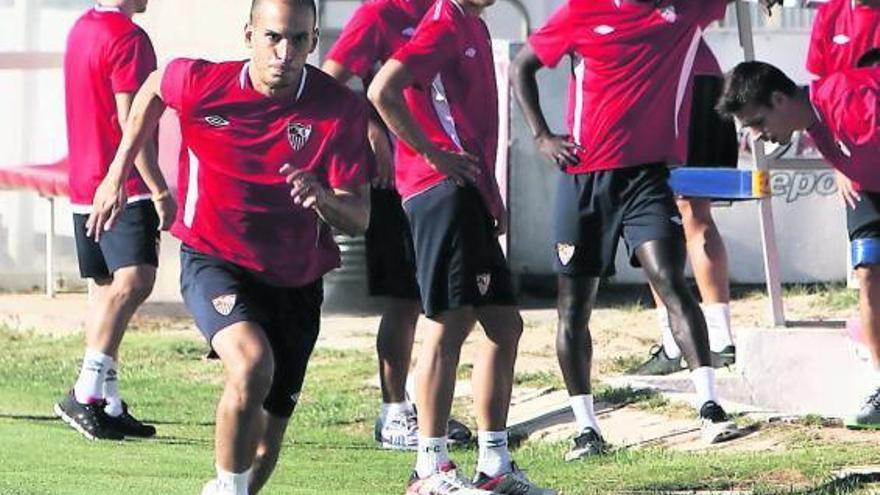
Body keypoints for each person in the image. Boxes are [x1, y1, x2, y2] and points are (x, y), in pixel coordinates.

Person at [87, 0, 372, 493]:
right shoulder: (203, 84)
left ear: (313, 42)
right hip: (214, 258)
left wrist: (322, 198)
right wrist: (118, 173)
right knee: (250, 363)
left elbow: (359, 217)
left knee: (266, 444)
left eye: (298, 40)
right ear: (249, 35)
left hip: (297, 280)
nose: (284, 53)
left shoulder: (339, 108)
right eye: (273, 37)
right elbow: (154, 87)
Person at [509, 0, 741, 461]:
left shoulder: (684, 11)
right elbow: (522, 67)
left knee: (672, 282)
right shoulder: (581, 10)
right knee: (573, 308)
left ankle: (710, 406)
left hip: (647, 178)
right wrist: (542, 135)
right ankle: (587, 427)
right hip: (583, 179)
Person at [369, 0, 554, 493]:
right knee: (448, 323)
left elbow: (467, 125)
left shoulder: (471, 22)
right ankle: (429, 468)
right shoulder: (445, 23)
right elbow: (382, 89)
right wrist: (431, 155)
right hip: (439, 193)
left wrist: (488, 194)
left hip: (466, 194)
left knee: (503, 323)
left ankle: (494, 466)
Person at [322, 0, 472, 451]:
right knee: (405, 299)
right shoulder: (378, 14)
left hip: (444, 179)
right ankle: (394, 413)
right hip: (398, 180)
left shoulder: (449, 12)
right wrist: (371, 129)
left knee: (446, 304)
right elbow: (328, 85)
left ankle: (425, 408)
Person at [717, 60, 880, 429]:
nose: (757, 135)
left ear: (779, 99)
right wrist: (847, 168)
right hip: (868, 189)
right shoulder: (811, 118)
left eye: (758, 122)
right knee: (868, 271)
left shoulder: (850, 96)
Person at [55, 0, 174, 441]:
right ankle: (84, 394)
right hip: (122, 184)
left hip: (84, 184)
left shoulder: (81, 27)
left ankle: (107, 400)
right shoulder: (129, 38)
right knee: (136, 280)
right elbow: (133, 120)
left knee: (107, 291)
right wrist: (158, 188)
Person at [635, 39, 738, 376]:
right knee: (695, 213)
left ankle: (674, 343)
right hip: (703, 79)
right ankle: (719, 338)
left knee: (654, 216)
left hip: (662, 80)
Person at [806, 0, 880, 228]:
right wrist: (841, 164)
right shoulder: (829, 14)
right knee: (867, 261)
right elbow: (819, 94)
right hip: (859, 166)